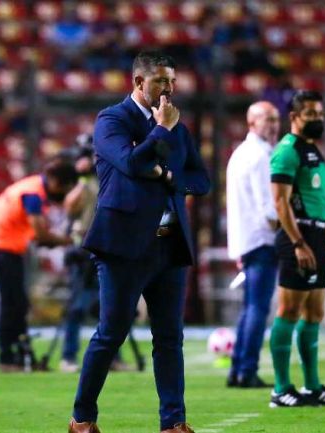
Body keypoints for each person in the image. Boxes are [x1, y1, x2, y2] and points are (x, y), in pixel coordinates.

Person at [69, 51, 210, 433]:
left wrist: (169, 177)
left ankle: (173, 422)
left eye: (172, 81)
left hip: (168, 239)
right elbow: (131, 164)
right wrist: (161, 131)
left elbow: (201, 178)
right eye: (161, 81)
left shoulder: (177, 124)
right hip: (122, 245)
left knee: (169, 338)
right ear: (138, 83)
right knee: (111, 333)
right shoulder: (112, 120)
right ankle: (82, 418)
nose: (169, 89)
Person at [268, 90, 325, 407]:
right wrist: (298, 242)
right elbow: (280, 202)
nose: (317, 120)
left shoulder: (313, 150)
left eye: (320, 114)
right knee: (288, 310)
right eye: (310, 115)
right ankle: (280, 388)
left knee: (315, 312)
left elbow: (317, 202)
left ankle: (312, 387)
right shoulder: (287, 151)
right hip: (296, 237)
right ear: (294, 118)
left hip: (316, 236)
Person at [0, 159, 77, 372]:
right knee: (11, 304)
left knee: (18, 303)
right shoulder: (33, 195)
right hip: (1, 248)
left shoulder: (33, 186)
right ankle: (7, 358)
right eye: (64, 186)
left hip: (6, 247)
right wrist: (70, 241)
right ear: (54, 181)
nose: (62, 193)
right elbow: (41, 235)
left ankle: (22, 356)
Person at [59, 139, 128, 373]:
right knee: (77, 306)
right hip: (82, 250)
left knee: (110, 306)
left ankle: (114, 358)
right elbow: (68, 207)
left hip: (106, 247)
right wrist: (82, 176)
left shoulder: (109, 178)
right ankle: (68, 356)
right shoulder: (81, 183)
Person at [225, 101, 280, 389]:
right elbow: (267, 209)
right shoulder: (260, 156)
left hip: (247, 239)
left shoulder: (242, 153)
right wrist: (288, 231)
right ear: (252, 122)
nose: (273, 124)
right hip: (261, 240)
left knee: (250, 307)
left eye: (275, 118)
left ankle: (238, 369)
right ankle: (247, 369)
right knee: (258, 307)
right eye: (267, 119)